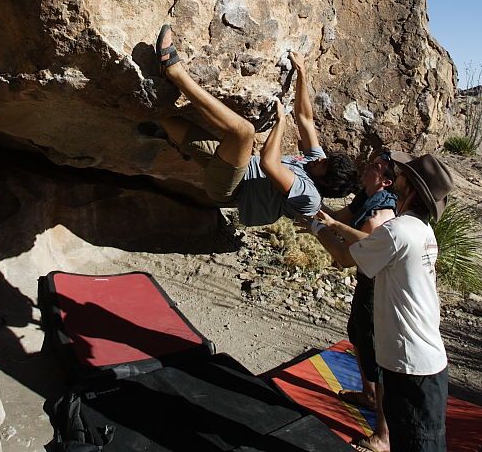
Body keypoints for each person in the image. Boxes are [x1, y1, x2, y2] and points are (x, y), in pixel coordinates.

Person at [305, 152, 453, 452]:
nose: (395, 177)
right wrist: (333, 223)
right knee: (423, 438)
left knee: (415, 443)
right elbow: (368, 242)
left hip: (409, 363)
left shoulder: (398, 231)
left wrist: (316, 227)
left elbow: (346, 257)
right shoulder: (419, 229)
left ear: (410, 189)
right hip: (425, 360)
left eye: (402, 176)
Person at [152, 24, 356, 226]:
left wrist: (280, 123)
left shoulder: (309, 196)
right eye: (325, 159)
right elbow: (305, 118)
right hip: (235, 163)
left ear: (326, 183)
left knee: (244, 132)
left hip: (231, 188)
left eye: (324, 166)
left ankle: (172, 69)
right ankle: (166, 132)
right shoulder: (316, 162)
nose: (320, 160)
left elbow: (269, 163)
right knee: (162, 114)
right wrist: (301, 72)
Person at [305, 150, 397, 451]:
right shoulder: (365, 197)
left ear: (385, 181)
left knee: (375, 352)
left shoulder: (380, 215)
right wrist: (305, 206)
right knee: (357, 334)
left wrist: (318, 228)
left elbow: (345, 257)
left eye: (374, 167)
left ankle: (383, 435)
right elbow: (339, 218)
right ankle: (368, 395)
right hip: (366, 281)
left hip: (378, 287)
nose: (367, 167)